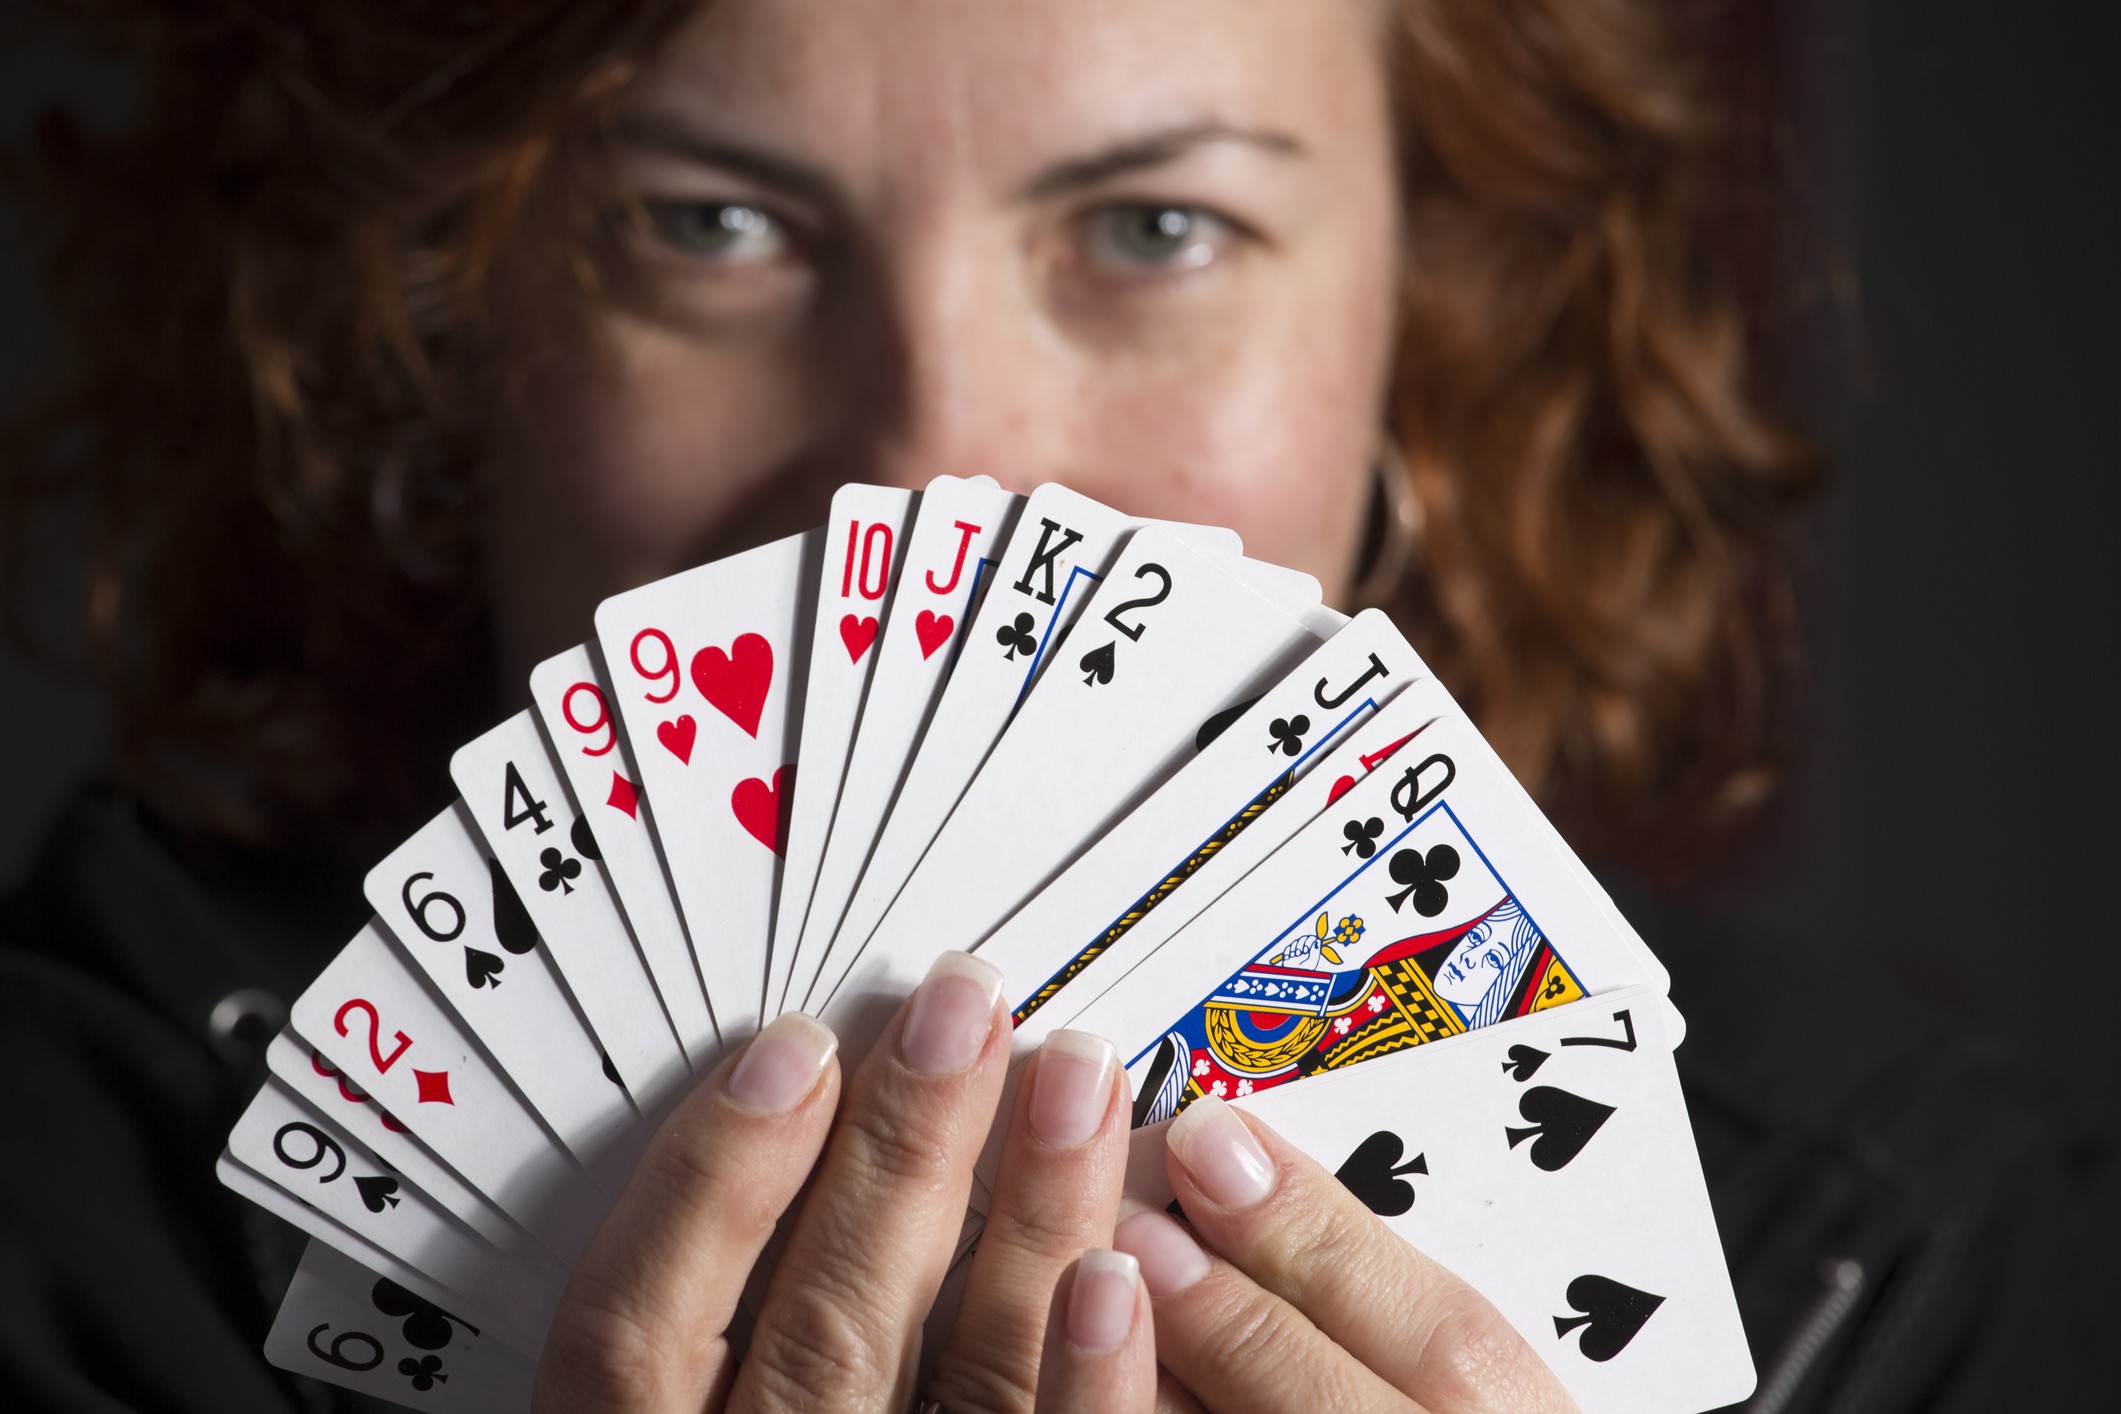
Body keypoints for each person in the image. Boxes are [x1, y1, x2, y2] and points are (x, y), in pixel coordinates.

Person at [0, 0, 2104, 1410]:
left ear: (1432, 318)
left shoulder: (1909, 1256)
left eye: (1155, 223)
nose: (935, 467)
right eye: (706, 221)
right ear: (442, 318)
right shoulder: (61, 1177)